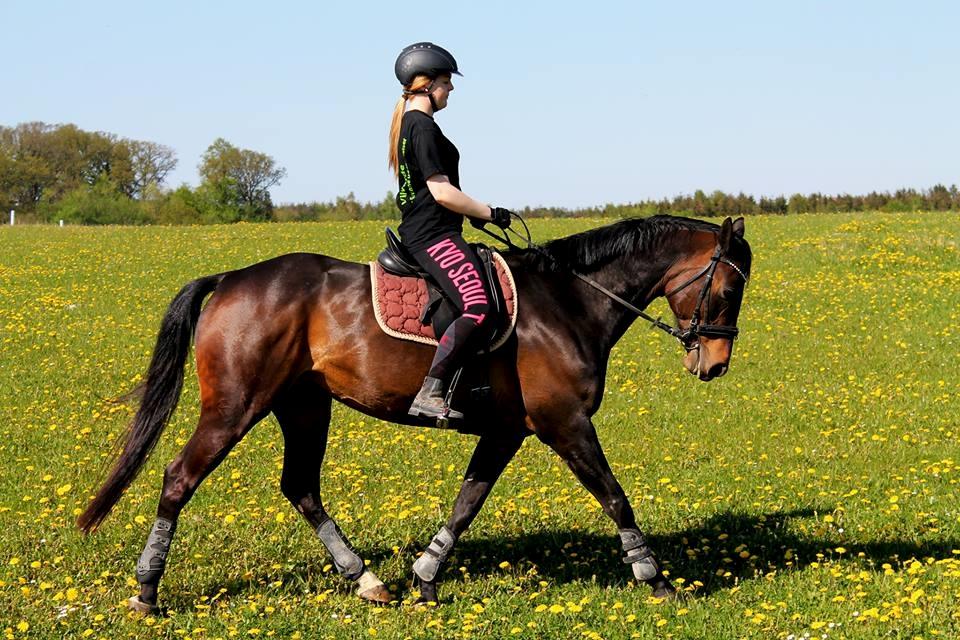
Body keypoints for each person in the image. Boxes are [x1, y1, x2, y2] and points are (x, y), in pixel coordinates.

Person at [388, 42, 513, 421]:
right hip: (433, 236)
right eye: (446, 82)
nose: (451, 89)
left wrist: (470, 214)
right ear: (426, 85)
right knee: (478, 307)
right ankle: (432, 390)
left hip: (429, 228)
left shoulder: (410, 124)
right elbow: (441, 192)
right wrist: (489, 212)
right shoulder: (422, 127)